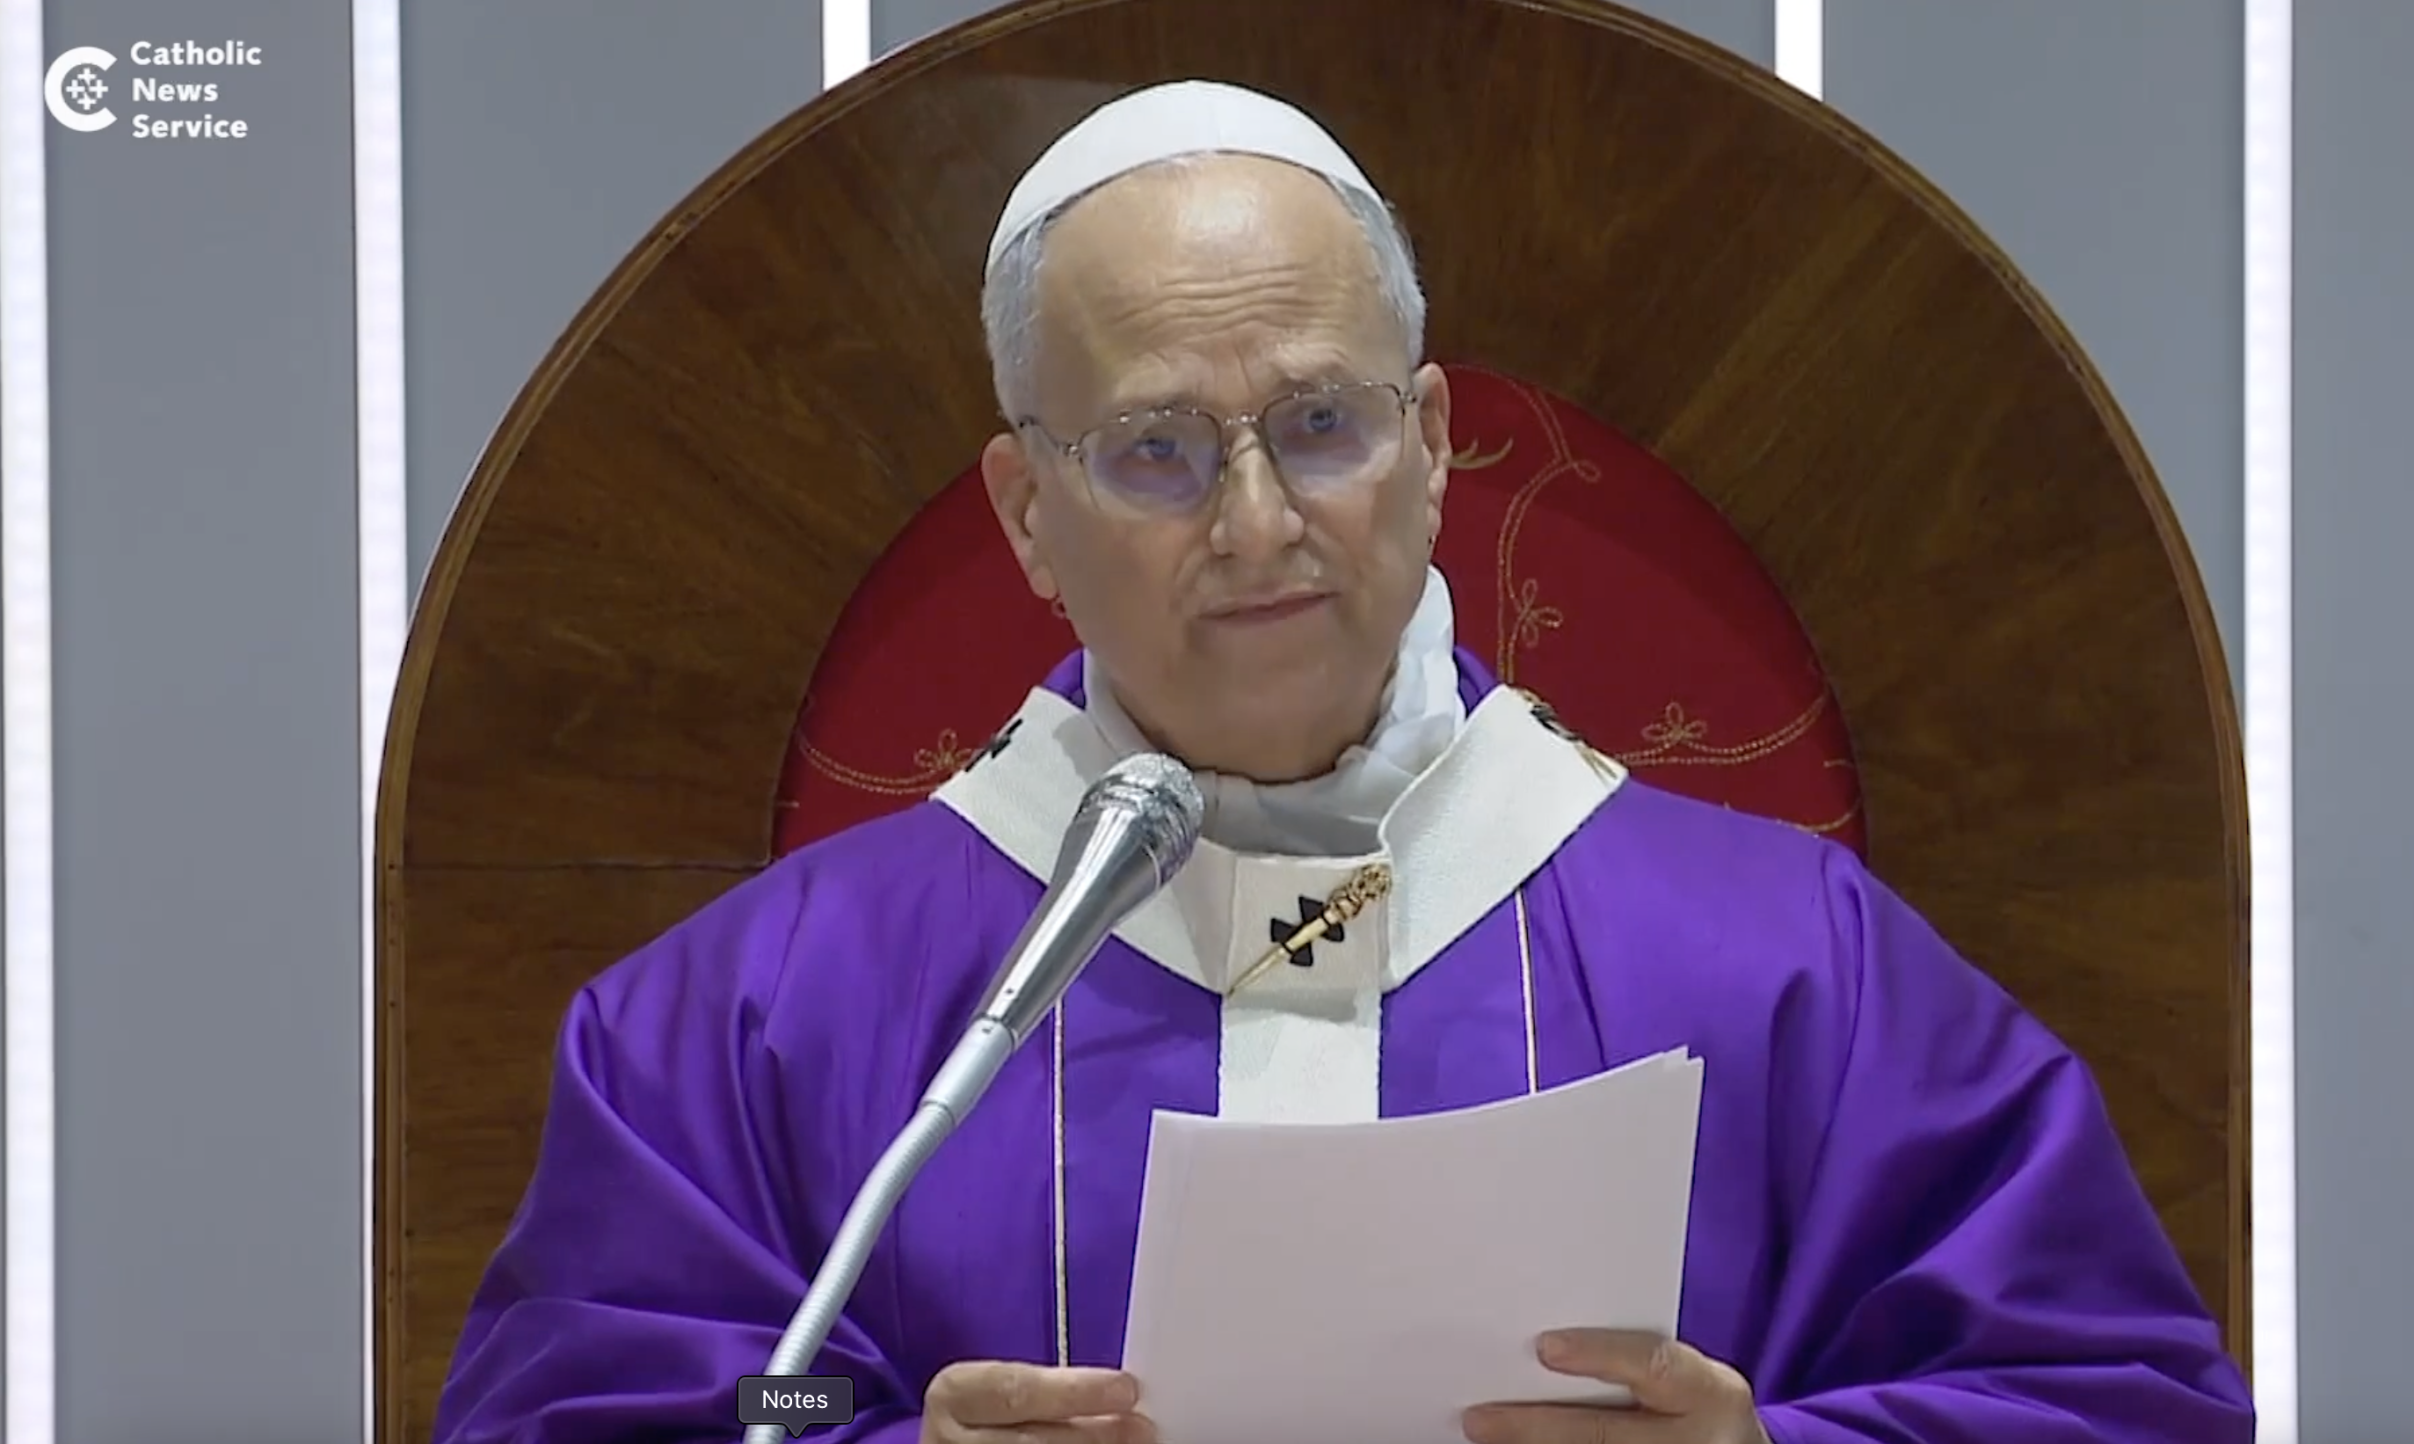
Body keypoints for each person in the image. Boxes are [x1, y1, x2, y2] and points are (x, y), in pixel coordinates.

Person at [432, 80, 2256, 1444]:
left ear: (1435, 443)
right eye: (1155, 449)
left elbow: (2112, 1397)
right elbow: (621, 1410)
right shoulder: (757, 1023)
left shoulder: (1795, 970)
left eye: (1321, 424)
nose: (1256, 524)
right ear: (1027, 514)